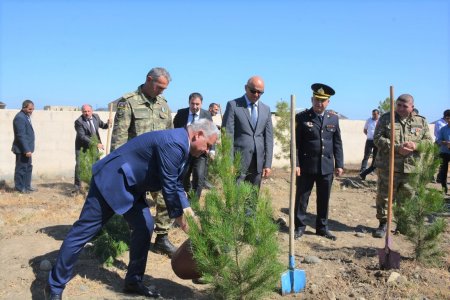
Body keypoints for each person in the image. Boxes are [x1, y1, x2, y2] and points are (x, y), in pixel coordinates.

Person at [46, 119, 219, 300]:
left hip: (132, 187)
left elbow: (176, 184)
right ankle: (54, 287)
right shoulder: (174, 143)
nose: (207, 151)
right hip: (112, 181)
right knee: (83, 232)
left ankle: (133, 282)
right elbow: (169, 189)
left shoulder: (183, 145)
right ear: (198, 135)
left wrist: (189, 213)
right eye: (207, 145)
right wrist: (185, 225)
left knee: (145, 227)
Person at [110, 67, 176, 257]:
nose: (162, 91)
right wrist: (117, 165)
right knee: (131, 202)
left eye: (165, 88)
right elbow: (119, 137)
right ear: (149, 79)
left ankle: (162, 238)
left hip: (158, 164)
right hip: (134, 165)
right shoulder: (129, 102)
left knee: (165, 198)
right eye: (159, 87)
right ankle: (128, 235)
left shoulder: (163, 104)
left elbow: (169, 133)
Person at [372, 94, 433, 238]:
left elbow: (429, 142)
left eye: (404, 106)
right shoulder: (386, 118)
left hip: (411, 168)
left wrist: (416, 145)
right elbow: (377, 139)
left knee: (407, 197)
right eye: (398, 105)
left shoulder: (421, 121)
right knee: (384, 196)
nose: (400, 108)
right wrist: (396, 147)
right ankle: (383, 224)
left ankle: (402, 225)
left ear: (412, 106)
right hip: (388, 166)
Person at [294, 83, 344, 241]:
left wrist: (340, 164)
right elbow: (295, 144)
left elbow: (337, 143)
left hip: (327, 167)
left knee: (324, 198)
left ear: (328, 102)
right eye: (316, 100)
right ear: (311, 99)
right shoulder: (301, 117)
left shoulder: (334, 119)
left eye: (322, 100)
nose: (319, 103)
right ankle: (299, 227)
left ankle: (322, 228)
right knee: (302, 198)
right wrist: (296, 164)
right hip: (306, 166)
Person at [221, 76, 274, 188]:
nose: (256, 94)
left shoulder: (266, 109)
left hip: (258, 163)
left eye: (260, 92)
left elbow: (268, 138)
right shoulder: (233, 105)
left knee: (252, 200)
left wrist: (267, 164)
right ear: (246, 88)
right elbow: (227, 135)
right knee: (236, 200)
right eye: (253, 91)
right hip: (238, 163)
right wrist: (229, 162)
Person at [173, 92, 213, 199]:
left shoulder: (206, 115)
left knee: (199, 176)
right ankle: (185, 196)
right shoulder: (181, 113)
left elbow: (211, 133)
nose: (195, 106)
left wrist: (211, 149)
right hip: (185, 151)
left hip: (201, 152)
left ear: (201, 104)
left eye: (197, 104)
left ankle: (194, 202)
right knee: (184, 175)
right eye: (192, 104)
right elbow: (174, 131)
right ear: (189, 103)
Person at [74, 104, 110, 189]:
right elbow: (82, 137)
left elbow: (103, 126)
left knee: (97, 163)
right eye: (84, 111)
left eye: (88, 111)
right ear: (82, 112)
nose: (86, 113)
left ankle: (95, 184)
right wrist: (96, 144)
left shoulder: (96, 117)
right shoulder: (78, 122)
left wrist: (108, 123)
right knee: (79, 165)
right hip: (82, 146)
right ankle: (77, 187)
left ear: (92, 111)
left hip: (94, 145)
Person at [11, 100, 36, 193]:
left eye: (33, 109)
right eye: (30, 109)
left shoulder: (25, 117)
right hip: (22, 149)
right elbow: (21, 135)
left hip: (27, 149)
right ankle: (19, 188)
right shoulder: (20, 118)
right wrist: (26, 149)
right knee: (21, 169)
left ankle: (27, 186)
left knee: (28, 168)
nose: (31, 111)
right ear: (24, 107)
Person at [359, 109, 380, 180]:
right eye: (373, 114)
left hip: (377, 142)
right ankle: (363, 169)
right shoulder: (369, 120)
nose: (373, 115)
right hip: (369, 141)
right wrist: (369, 135)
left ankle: (372, 170)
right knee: (366, 156)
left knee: (375, 157)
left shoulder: (380, 121)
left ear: (378, 114)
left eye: (375, 114)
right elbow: (365, 130)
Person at [434, 109, 450, 183]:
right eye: (447, 118)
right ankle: (444, 188)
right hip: (444, 152)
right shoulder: (443, 128)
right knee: (443, 170)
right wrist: (445, 143)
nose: (449, 120)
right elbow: (438, 140)